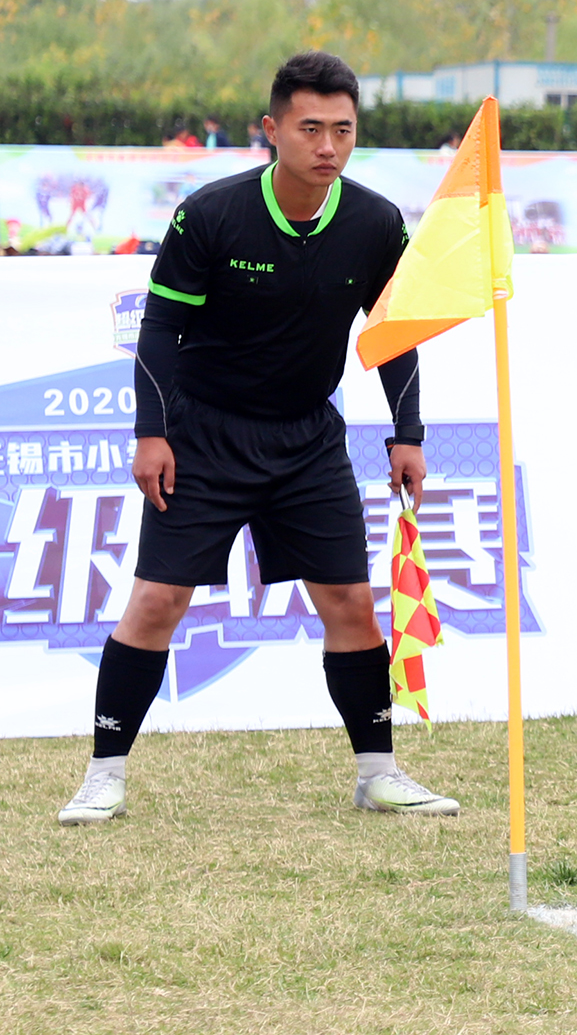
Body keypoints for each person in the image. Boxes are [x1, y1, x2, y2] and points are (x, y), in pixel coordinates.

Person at [57, 51, 457, 826]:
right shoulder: (211, 214)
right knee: (156, 601)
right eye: (311, 128)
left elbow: (395, 333)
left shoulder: (374, 222)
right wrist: (153, 432)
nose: (328, 146)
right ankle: (103, 774)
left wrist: (408, 434)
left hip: (309, 439)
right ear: (272, 130)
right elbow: (159, 328)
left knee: (350, 600)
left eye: (343, 129)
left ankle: (378, 771)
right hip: (204, 437)